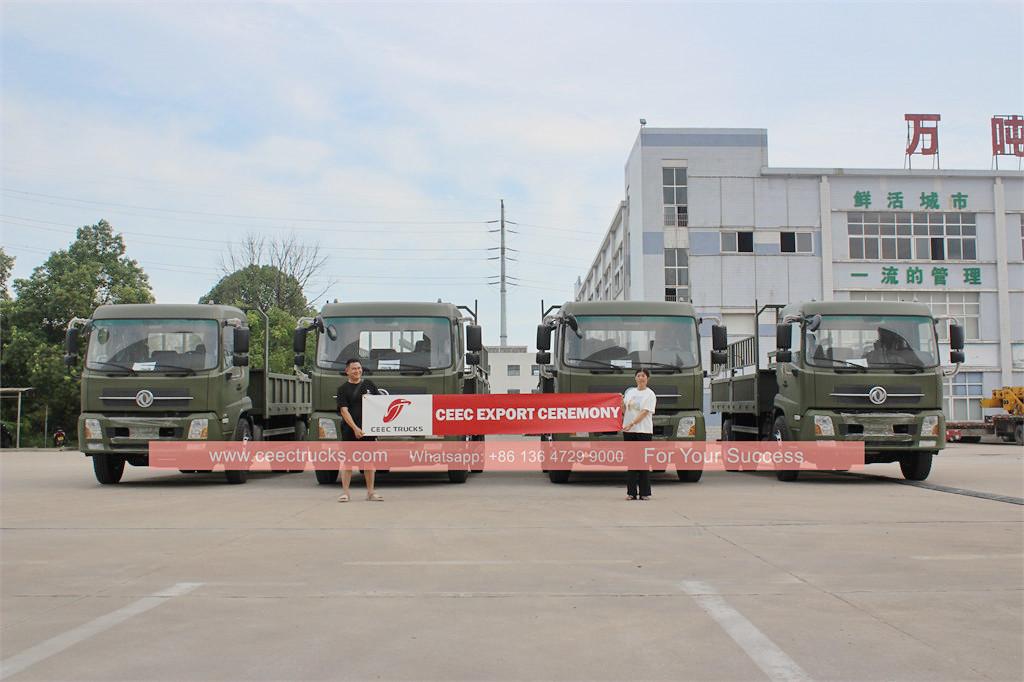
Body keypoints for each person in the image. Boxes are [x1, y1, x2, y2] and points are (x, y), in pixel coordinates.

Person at [336, 358, 383, 502]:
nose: (357, 371)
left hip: (369, 431)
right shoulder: (342, 389)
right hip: (350, 431)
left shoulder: (369, 385)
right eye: (354, 369)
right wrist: (355, 428)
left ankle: (370, 492)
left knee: (369, 463)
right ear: (347, 371)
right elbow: (344, 411)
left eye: (359, 368)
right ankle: (345, 493)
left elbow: (380, 405)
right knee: (348, 463)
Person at [622, 368, 657, 500]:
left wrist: (632, 423)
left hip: (643, 431)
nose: (641, 378)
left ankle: (644, 493)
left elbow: (644, 412)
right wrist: (621, 403)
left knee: (642, 462)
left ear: (647, 378)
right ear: (635, 378)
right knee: (631, 462)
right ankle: (631, 493)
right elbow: (626, 411)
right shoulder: (630, 393)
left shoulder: (650, 394)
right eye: (638, 375)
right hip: (629, 432)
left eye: (643, 376)